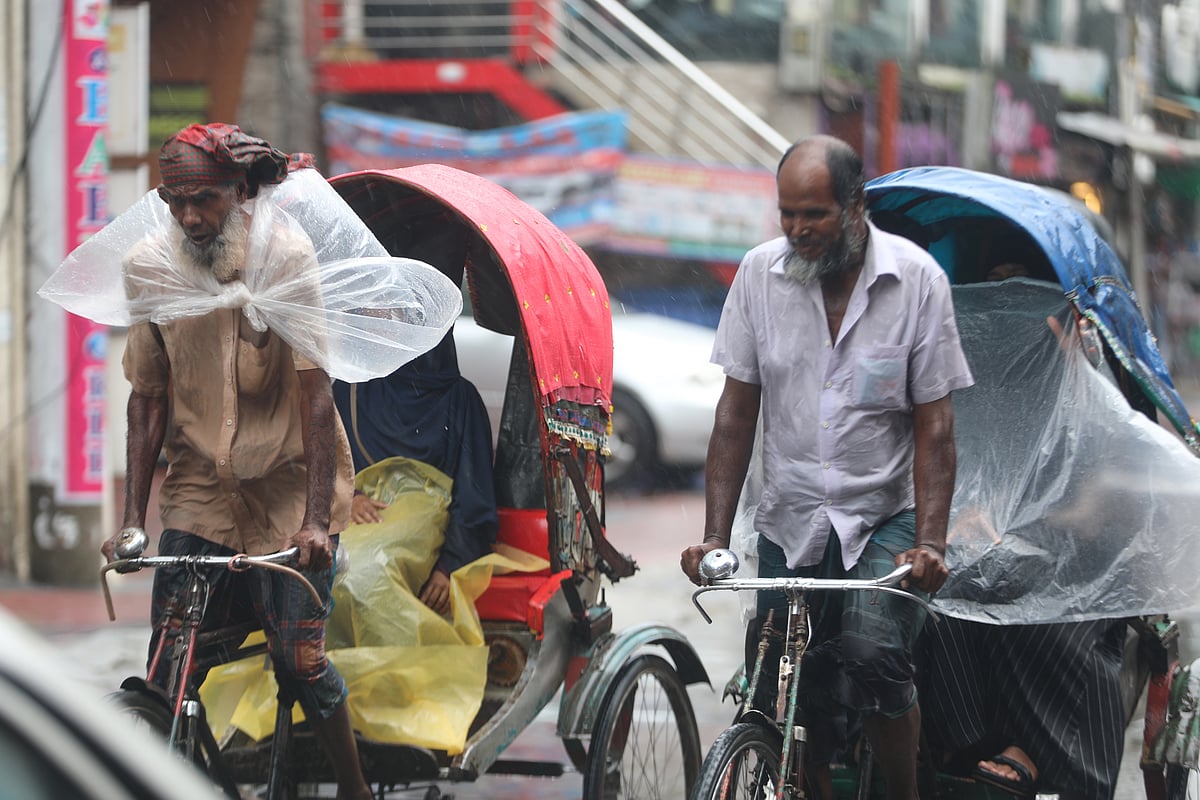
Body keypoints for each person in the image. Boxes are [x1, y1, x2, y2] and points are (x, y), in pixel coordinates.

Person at [680, 134, 974, 800]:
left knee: (875, 661)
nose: (797, 230)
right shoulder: (759, 275)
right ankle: (808, 785)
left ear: (855, 205)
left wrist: (931, 541)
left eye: (813, 214)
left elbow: (936, 429)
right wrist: (715, 537)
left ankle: (901, 792)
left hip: (884, 515)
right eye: (786, 214)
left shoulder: (918, 281)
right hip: (792, 513)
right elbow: (734, 416)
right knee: (782, 677)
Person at [100, 123, 373, 800]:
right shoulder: (149, 266)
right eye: (174, 200)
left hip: (288, 486)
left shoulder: (284, 256)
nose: (189, 216)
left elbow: (316, 394)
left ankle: (355, 787)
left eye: (207, 200)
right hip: (198, 487)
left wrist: (315, 522)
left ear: (240, 193)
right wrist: (133, 522)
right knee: (169, 664)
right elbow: (146, 397)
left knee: (298, 658)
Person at [332, 328, 499, 615]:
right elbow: (323, 461)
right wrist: (350, 497)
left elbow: (473, 495)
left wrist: (449, 567)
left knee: (366, 574)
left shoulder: (460, 399)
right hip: (355, 524)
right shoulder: (353, 389)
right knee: (328, 573)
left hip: (430, 537)